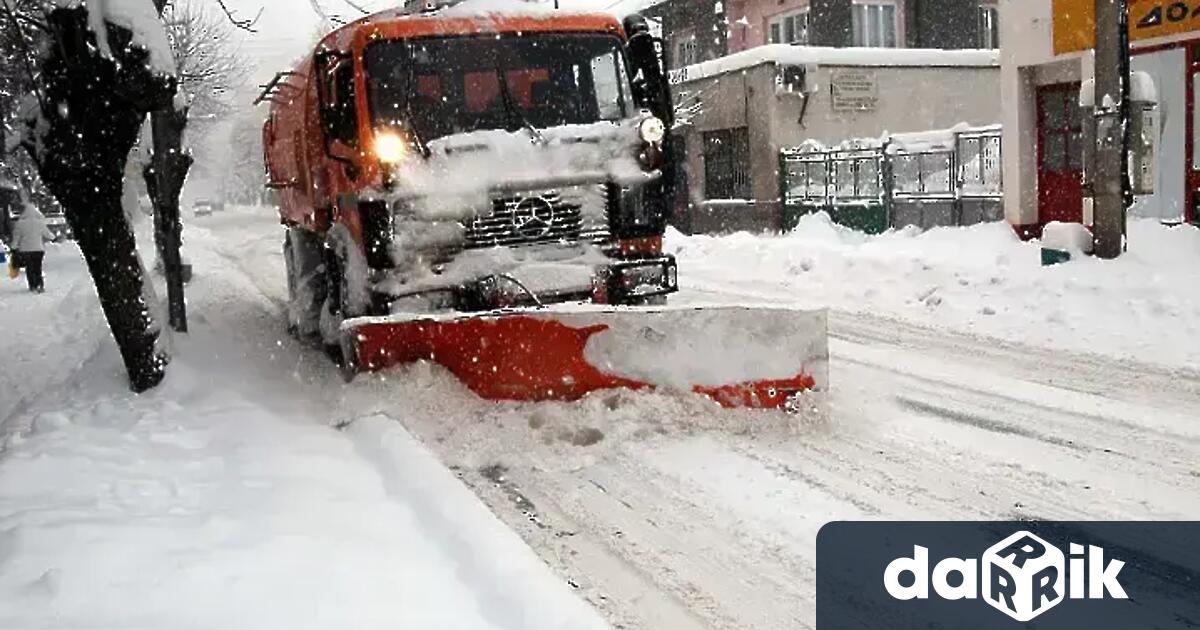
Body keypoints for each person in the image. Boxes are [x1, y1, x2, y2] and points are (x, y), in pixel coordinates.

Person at [11, 204, 55, 293]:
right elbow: (48, 234)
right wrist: (54, 238)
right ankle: (39, 284)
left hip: (26, 250)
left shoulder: (20, 224)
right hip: (39, 250)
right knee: (37, 267)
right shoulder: (40, 223)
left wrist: (13, 247)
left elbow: (16, 238)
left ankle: (32, 285)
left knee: (29, 268)